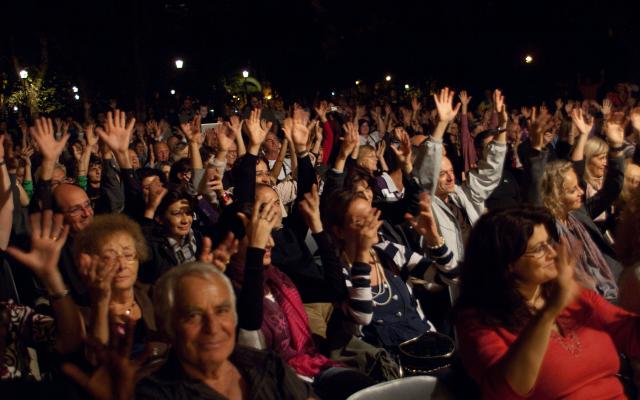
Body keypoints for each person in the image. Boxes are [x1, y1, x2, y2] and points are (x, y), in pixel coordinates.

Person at [455, 206, 640, 399]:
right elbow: (506, 391)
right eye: (539, 249)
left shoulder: (576, 296)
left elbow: (633, 337)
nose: (552, 253)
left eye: (549, 243)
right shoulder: (478, 320)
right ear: (507, 263)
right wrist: (549, 312)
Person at [137, 261, 315, 399]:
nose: (213, 328)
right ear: (168, 326)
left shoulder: (267, 365)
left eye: (221, 311)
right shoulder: (154, 394)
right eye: (193, 316)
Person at [528, 109, 625, 301]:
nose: (581, 192)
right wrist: (536, 150)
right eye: (573, 190)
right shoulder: (548, 226)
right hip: (584, 300)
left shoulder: (580, 212)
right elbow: (534, 194)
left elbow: (613, 187)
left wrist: (616, 147)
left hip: (614, 286)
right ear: (556, 193)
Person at [413, 87, 507, 265]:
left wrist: (502, 127)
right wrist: (442, 124)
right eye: (442, 174)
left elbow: (490, 172)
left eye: (451, 172)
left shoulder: (462, 194)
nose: (450, 178)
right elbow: (426, 171)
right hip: (455, 280)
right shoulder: (426, 204)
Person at [72, 214, 157, 351]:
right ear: (90, 263)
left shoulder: (154, 295)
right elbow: (95, 360)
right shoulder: (81, 312)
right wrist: (101, 301)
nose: (122, 265)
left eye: (129, 255)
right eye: (109, 258)